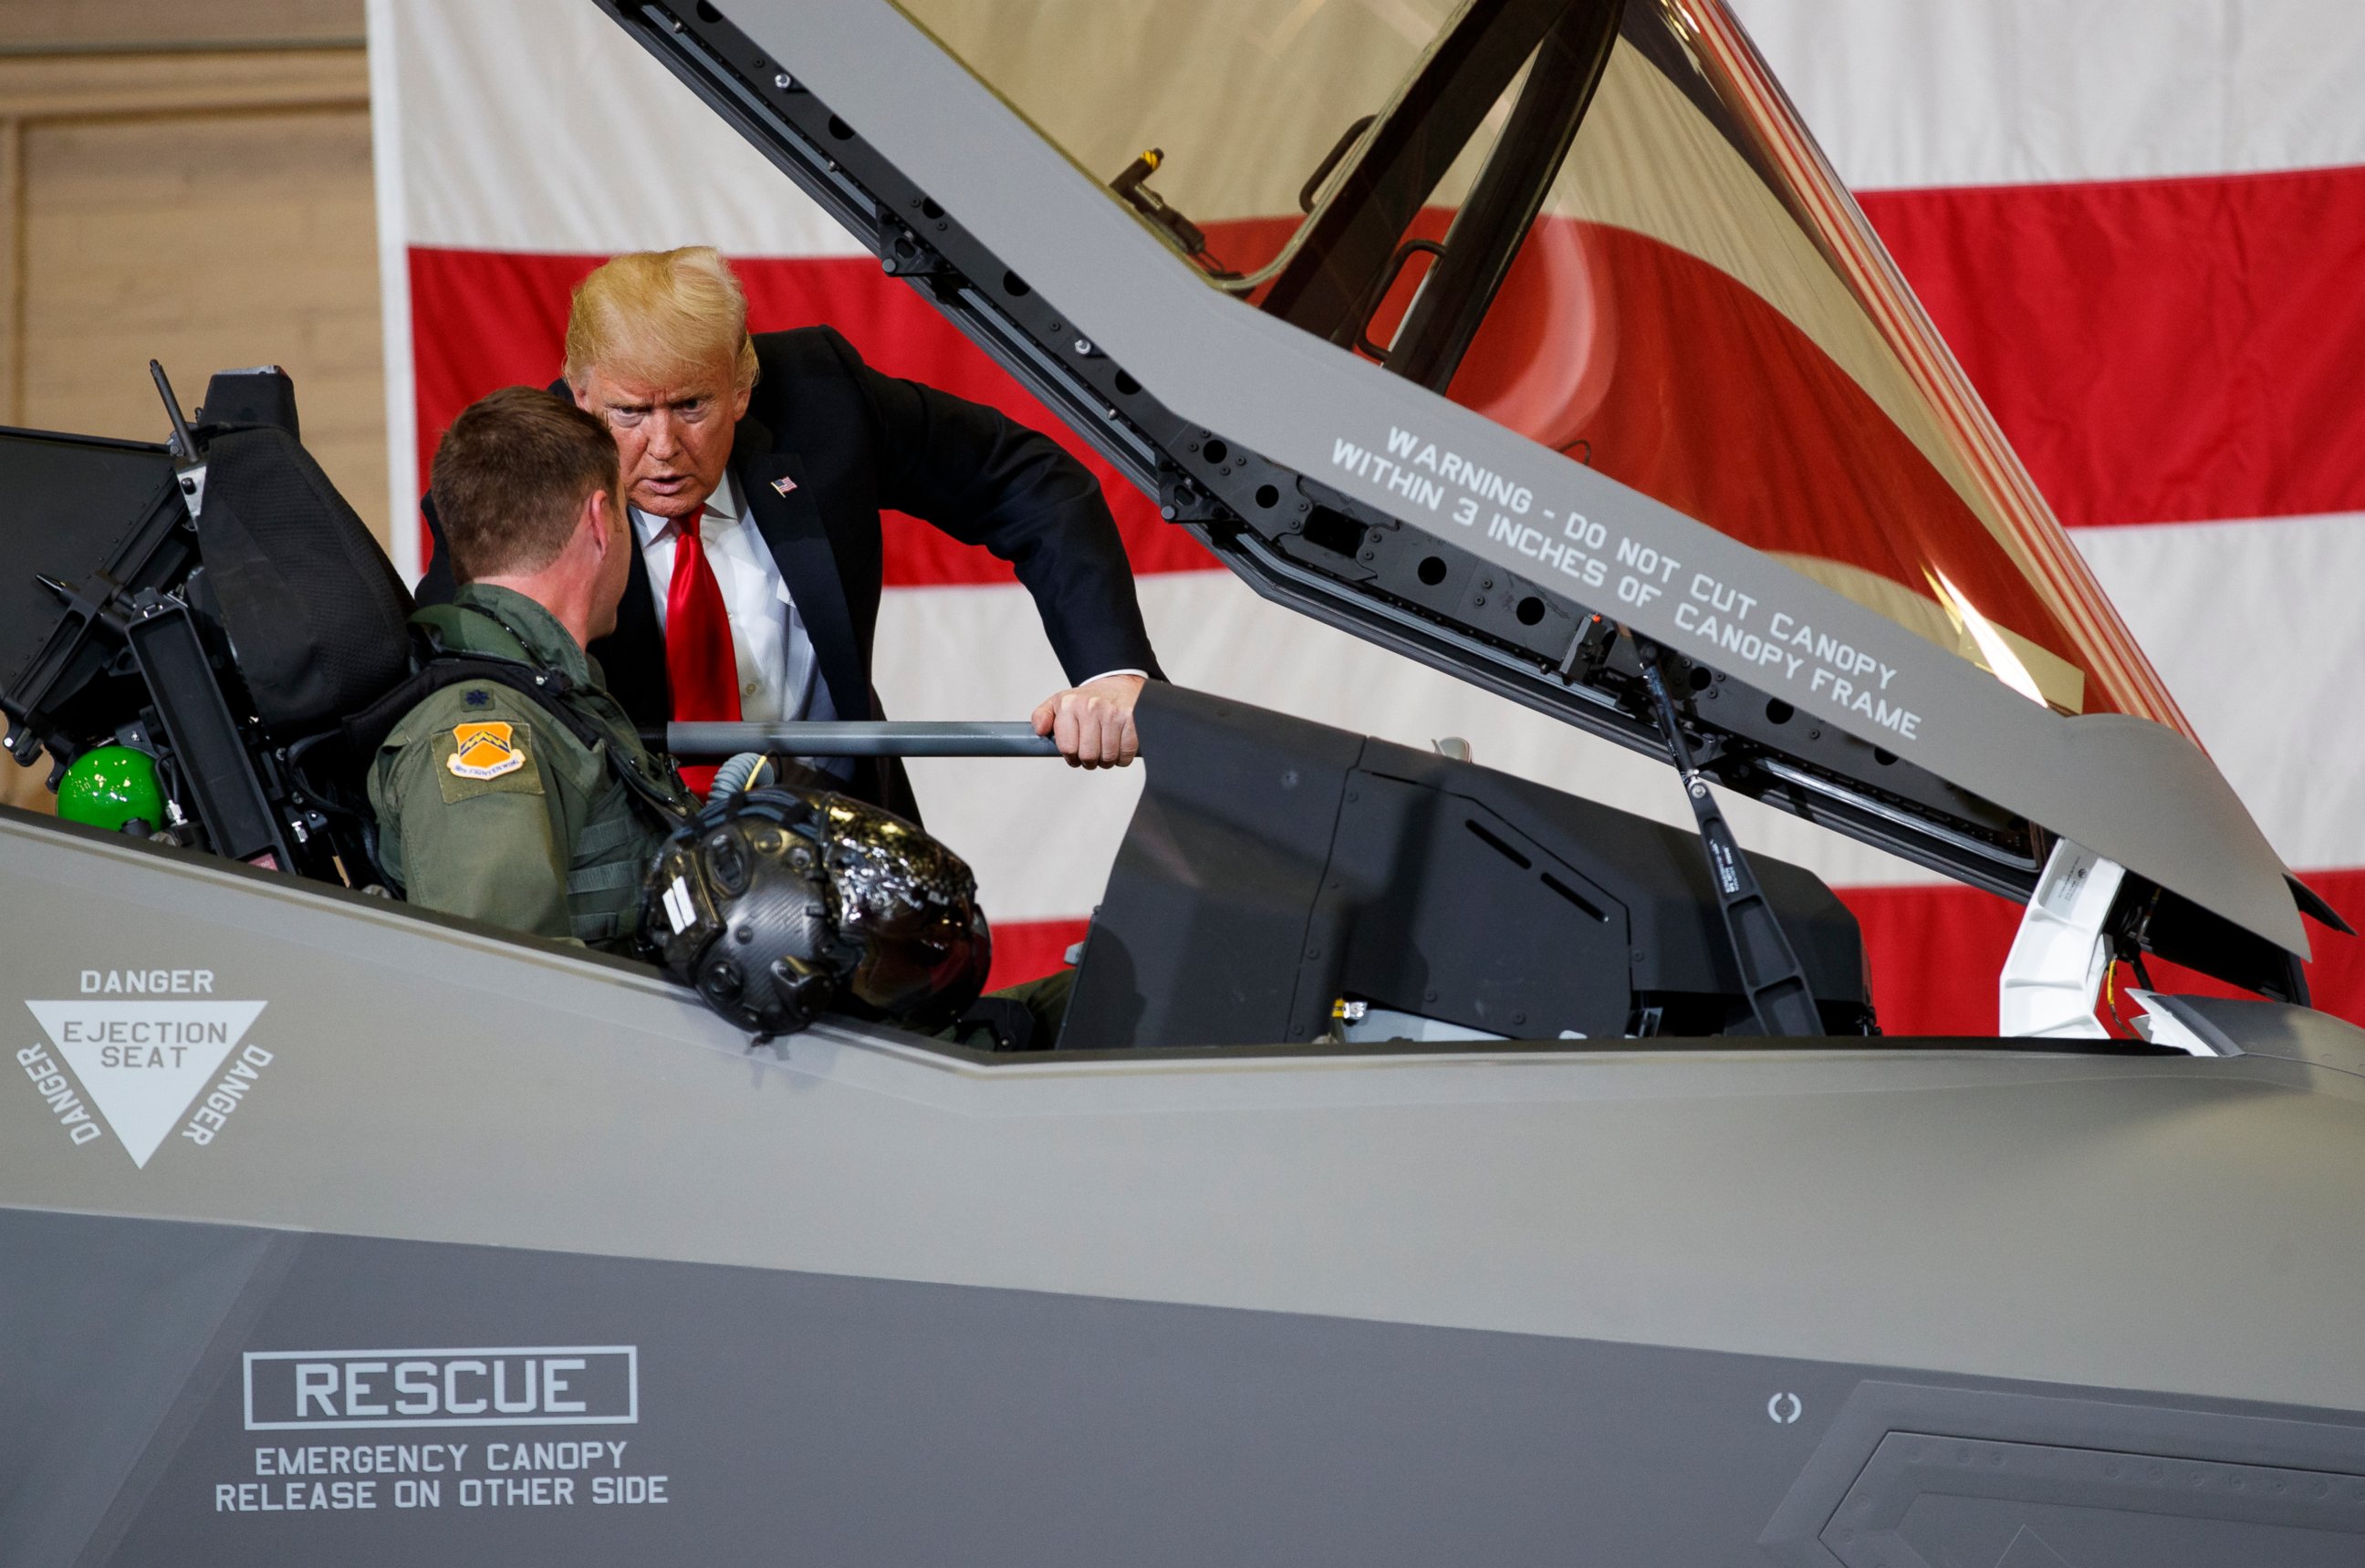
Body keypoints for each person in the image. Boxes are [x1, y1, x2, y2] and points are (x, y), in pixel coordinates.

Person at [416, 246, 1162, 810]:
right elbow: (448, 672)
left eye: (692, 406)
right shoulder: (518, 471)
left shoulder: (820, 398)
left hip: (838, 837)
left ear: (743, 387)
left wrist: (1111, 673)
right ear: (580, 396)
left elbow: (1024, 481)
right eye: (630, 415)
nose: (664, 446)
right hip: (634, 868)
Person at [369, 387, 695, 947]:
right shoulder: (480, 732)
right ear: (599, 522)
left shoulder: (552, 697)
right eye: (624, 513)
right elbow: (504, 994)